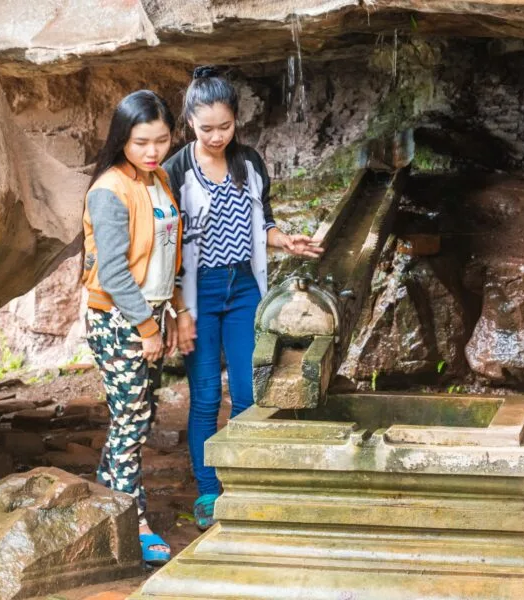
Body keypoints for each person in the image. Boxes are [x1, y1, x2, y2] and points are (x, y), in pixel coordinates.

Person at [164, 66, 323, 530]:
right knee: (205, 395)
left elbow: (262, 222)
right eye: (206, 128)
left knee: (250, 391)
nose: (217, 136)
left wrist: (284, 240)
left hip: (244, 288)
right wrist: (175, 307)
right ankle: (208, 489)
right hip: (198, 291)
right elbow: (166, 242)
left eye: (225, 126)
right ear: (189, 122)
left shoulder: (249, 162)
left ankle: (243, 480)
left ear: (237, 120)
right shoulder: (176, 170)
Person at [82, 90, 183, 565]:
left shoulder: (159, 178)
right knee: (131, 420)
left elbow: (167, 254)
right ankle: (134, 521)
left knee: (137, 416)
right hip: (118, 319)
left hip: (151, 314)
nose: (152, 151)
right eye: (141, 142)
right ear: (122, 138)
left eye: (161, 140)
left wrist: (174, 310)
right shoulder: (109, 190)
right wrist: (147, 328)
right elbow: (114, 272)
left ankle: (108, 505)